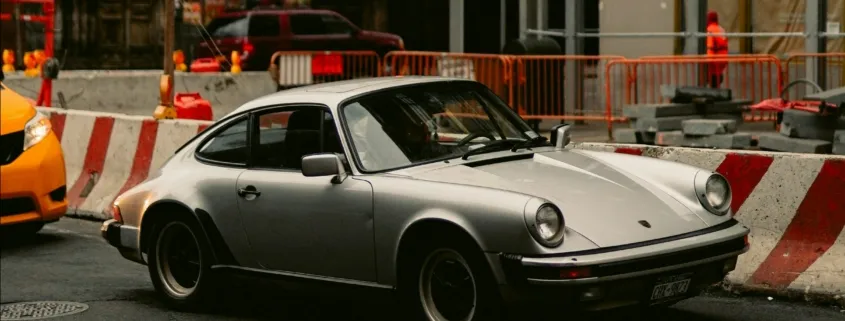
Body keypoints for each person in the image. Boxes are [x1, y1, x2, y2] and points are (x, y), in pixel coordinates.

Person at [706, 10, 729, 88]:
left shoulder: (709, 30)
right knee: (718, 78)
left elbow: (710, 47)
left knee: (713, 80)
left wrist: (708, 62)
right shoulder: (721, 29)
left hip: (714, 61)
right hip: (723, 60)